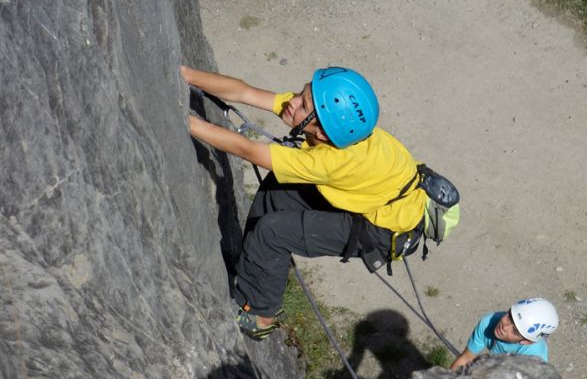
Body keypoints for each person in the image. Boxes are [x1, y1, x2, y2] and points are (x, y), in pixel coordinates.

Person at [181, 64, 427, 340]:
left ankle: (260, 314)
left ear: (321, 133)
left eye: (302, 103)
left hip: (383, 229)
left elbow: (246, 149)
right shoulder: (337, 126)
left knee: (273, 232)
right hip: (379, 196)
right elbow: (245, 92)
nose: (293, 101)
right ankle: (256, 264)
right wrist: (185, 75)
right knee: (278, 187)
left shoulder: (331, 160)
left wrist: (184, 117)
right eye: (301, 93)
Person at [450, 297, 559, 370]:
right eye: (510, 317)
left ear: (526, 341)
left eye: (514, 331)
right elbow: (466, 358)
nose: (504, 327)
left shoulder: (534, 359)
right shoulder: (488, 323)